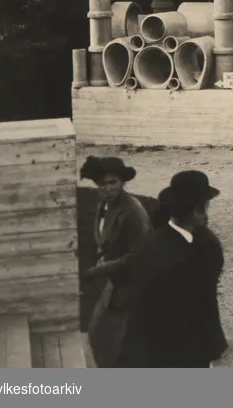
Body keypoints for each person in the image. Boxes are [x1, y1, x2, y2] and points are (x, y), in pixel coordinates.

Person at [119, 171, 227, 368]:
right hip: (182, 348)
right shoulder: (205, 248)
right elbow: (205, 302)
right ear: (196, 211)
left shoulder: (149, 241)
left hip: (146, 343)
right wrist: (213, 347)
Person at [80, 156, 150, 368]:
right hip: (115, 280)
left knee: (115, 338)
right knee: (97, 333)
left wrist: (100, 269)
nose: (108, 188)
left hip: (134, 283)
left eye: (113, 183)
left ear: (122, 183)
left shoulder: (133, 212)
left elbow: (139, 255)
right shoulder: (104, 203)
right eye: (103, 183)